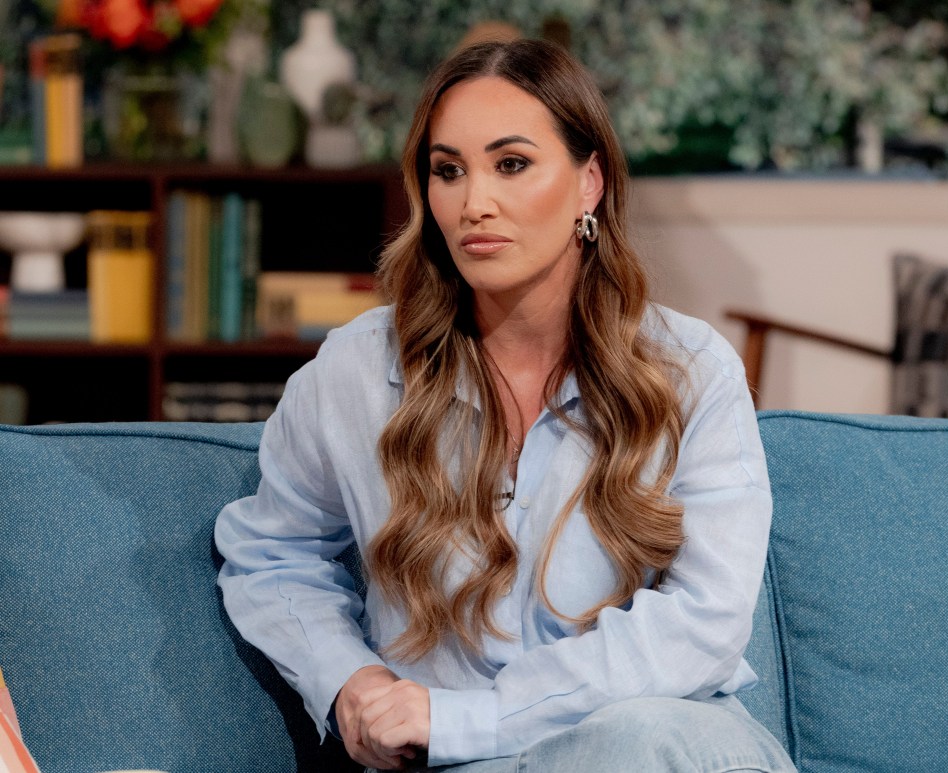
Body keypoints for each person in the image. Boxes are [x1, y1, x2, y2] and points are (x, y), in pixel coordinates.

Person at [215, 38, 797, 773]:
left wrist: (473, 717)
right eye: (447, 170)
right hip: (449, 766)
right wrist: (352, 684)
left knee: (638, 744)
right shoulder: (359, 370)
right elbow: (274, 551)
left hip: (652, 749)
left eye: (511, 164)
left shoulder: (690, 372)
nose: (473, 203)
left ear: (590, 182)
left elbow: (705, 621)